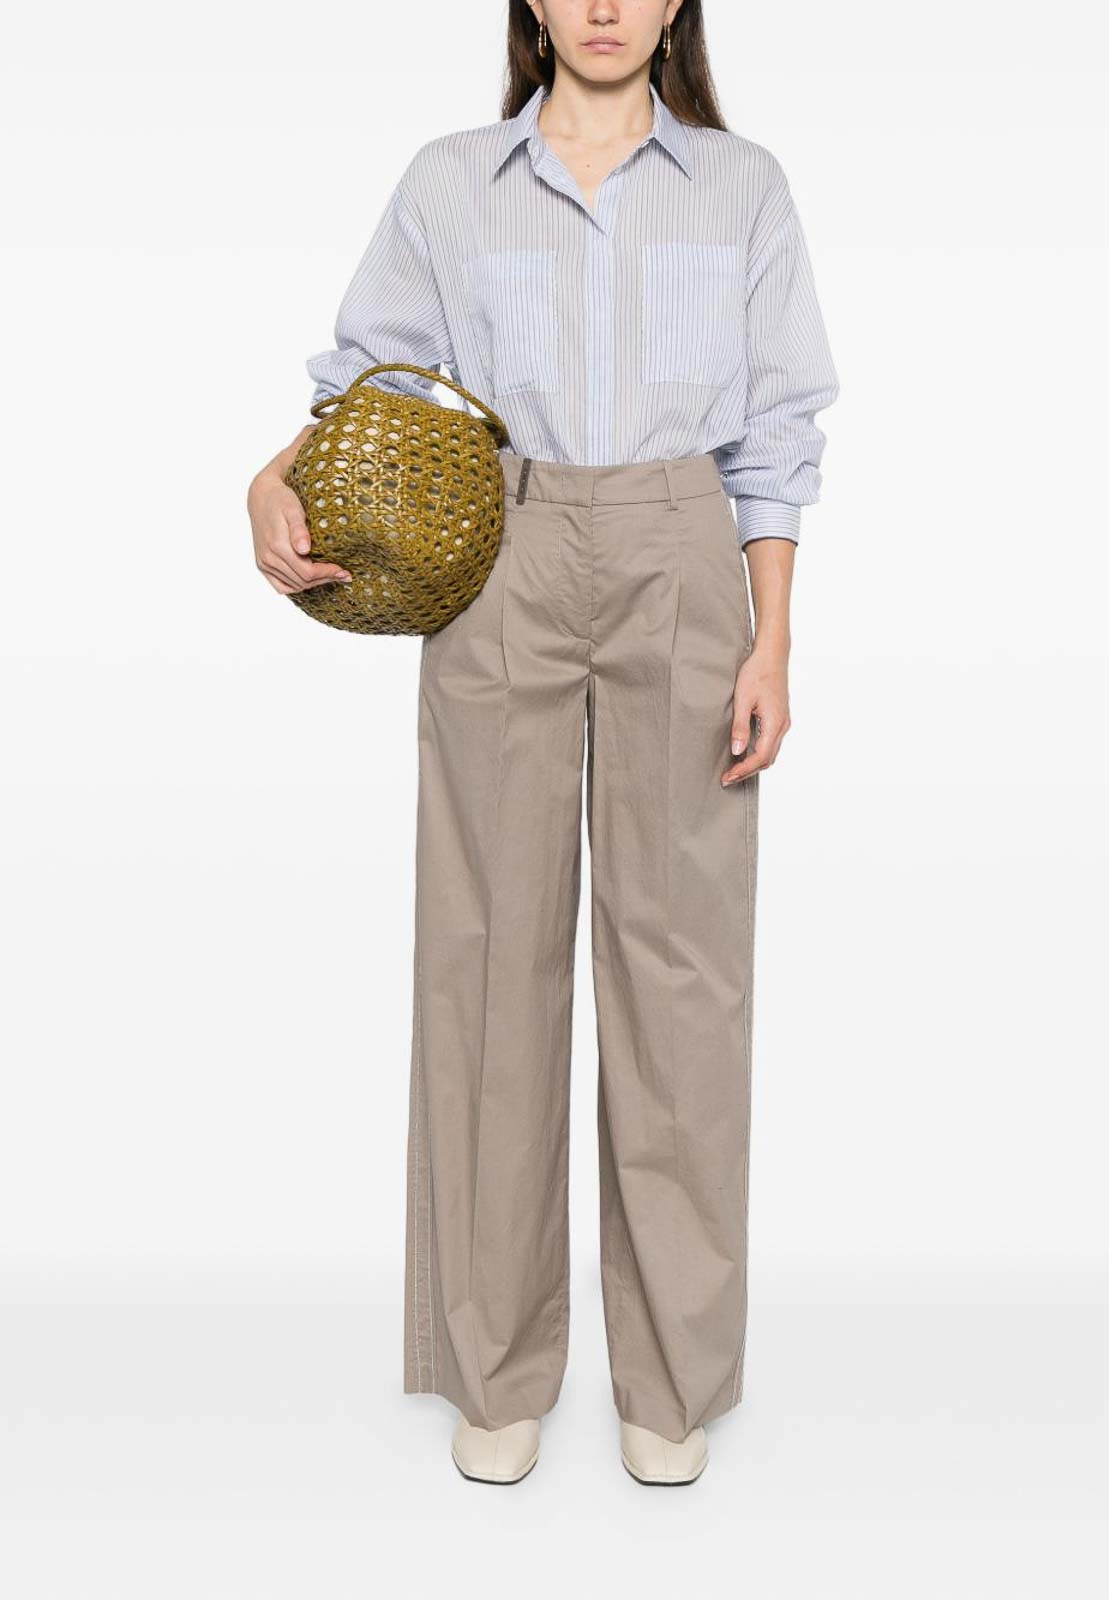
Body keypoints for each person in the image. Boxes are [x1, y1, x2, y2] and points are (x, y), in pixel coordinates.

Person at [246, 0, 838, 1486]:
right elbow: (373, 385)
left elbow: (775, 434)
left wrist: (771, 639)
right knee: (489, 952)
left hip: (681, 548)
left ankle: (673, 1380)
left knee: (682, 970)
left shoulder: (743, 185)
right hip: (498, 552)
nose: (605, 6)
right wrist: (271, 474)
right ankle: (494, 1364)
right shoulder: (453, 180)